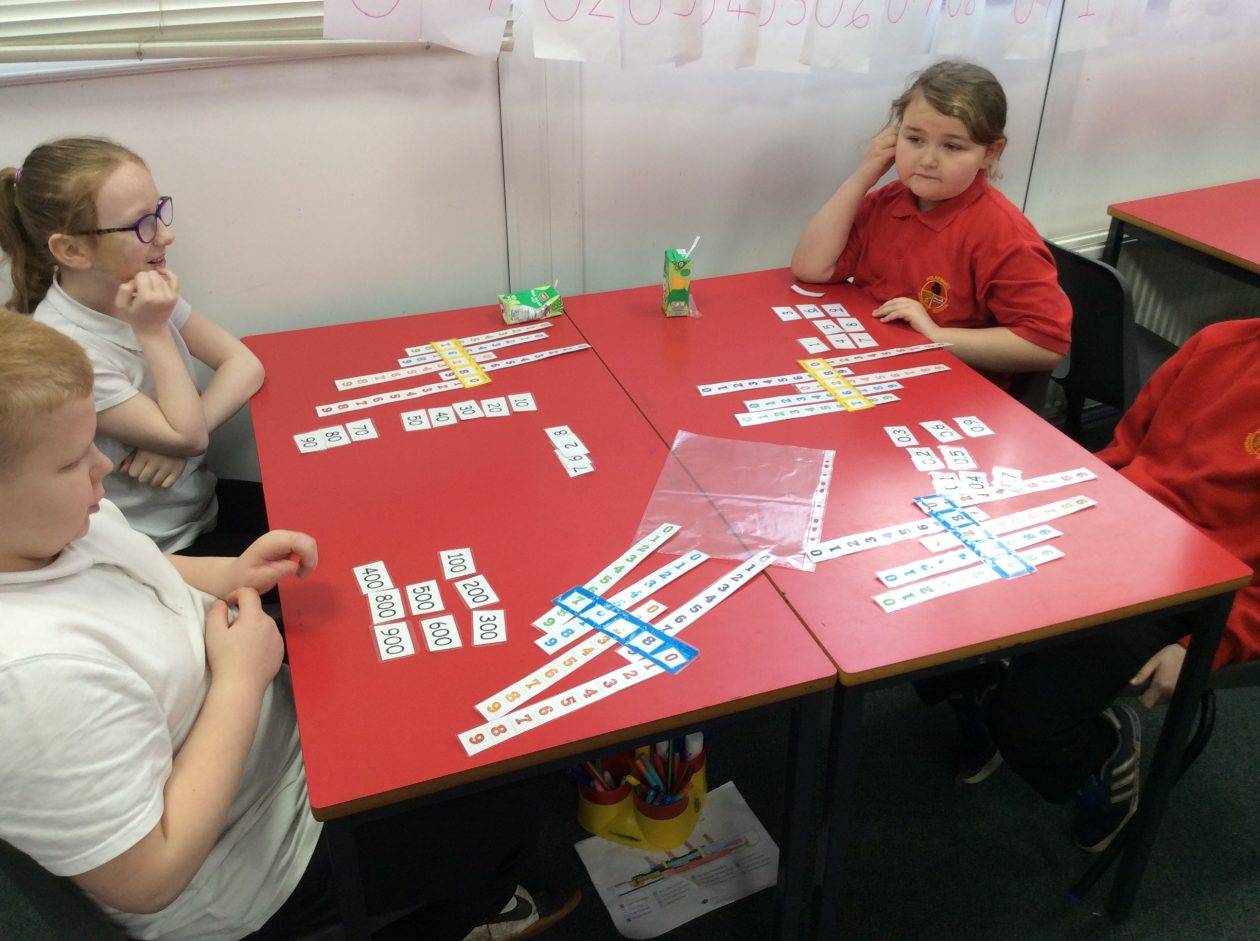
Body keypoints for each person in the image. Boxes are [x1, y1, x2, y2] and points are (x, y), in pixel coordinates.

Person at [0, 310, 578, 940]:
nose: (103, 468)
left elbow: (142, 565)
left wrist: (233, 573)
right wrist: (240, 679)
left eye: (93, 442)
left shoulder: (47, 528)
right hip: (258, 859)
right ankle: (473, 909)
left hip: (280, 724)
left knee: (467, 700)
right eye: (70, 462)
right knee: (509, 805)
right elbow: (148, 878)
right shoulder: (30, 679)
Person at [977, 319, 1259, 852]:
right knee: (956, 601)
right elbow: (1127, 448)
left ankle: (1106, 750)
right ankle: (998, 694)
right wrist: (1068, 504)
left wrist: (1208, 645)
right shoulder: (1219, 342)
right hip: (1124, 528)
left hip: (1206, 587)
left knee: (1027, 727)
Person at [0, 137, 265, 554]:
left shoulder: (143, 291)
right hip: (157, 548)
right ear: (71, 250)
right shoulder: (69, 348)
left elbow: (244, 364)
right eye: (142, 224)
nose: (167, 235)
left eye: (159, 211)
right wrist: (153, 331)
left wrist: (175, 448)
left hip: (201, 506)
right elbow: (188, 436)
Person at [790, 59, 1071, 393]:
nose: (927, 160)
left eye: (952, 146)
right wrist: (863, 176)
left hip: (951, 390)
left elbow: (1046, 345)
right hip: (879, 368)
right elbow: (812, 268)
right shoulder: (890, 200)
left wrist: (937, 336)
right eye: (914, 139)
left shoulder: (1001, 232)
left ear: (990, 153)